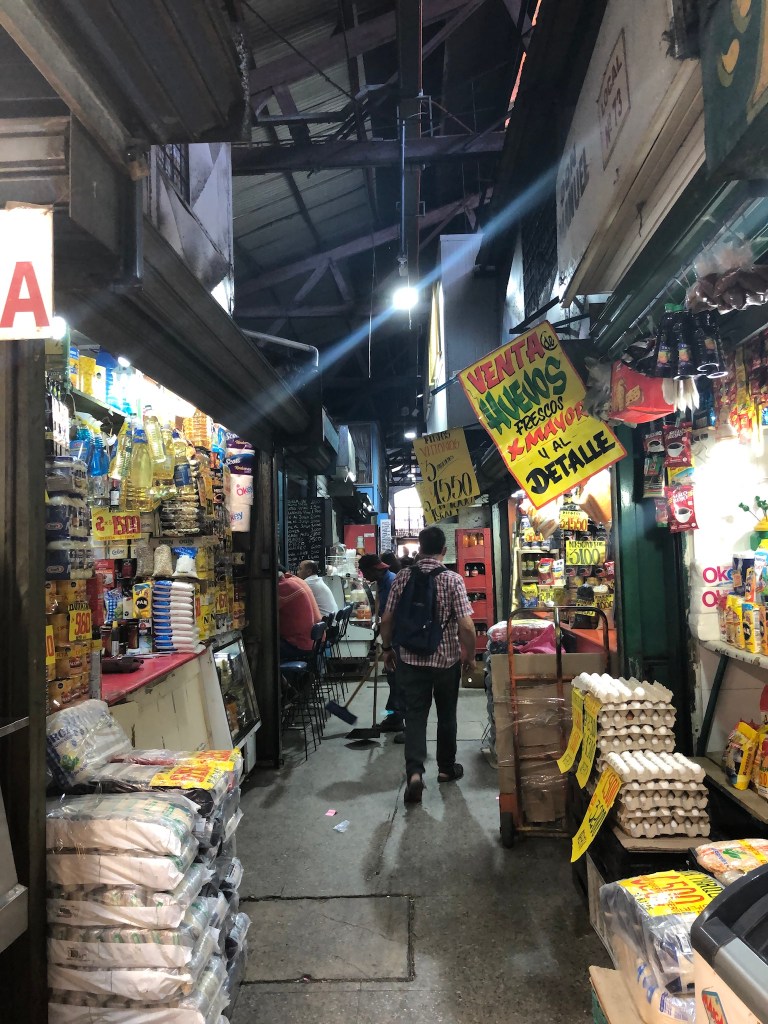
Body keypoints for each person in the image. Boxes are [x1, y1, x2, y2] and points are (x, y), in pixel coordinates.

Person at [380, 526, 476, 804]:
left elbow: (387, 619)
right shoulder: (453, 579)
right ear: (444, 550)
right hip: (445, 661)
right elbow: (466, 625)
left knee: (415, 716)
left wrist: (387, 649)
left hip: (410, 660)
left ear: (420, 549)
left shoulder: (402, 577)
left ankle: (415, 773)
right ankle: (446, 769)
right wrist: (469, 655)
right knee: (446, 715)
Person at [358, 553, 404, 734]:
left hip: (399, 638)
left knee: (397, 680)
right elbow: (383, 609)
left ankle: (397, 719)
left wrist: (387, 644)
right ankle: (393, 716)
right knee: (393, 680)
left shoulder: (392, 582)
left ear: (373, 570)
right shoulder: (382, 582)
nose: (364, 576)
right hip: (392, 636)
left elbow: (394, 615)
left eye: (364, 572)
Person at [278, 567, 322, 661]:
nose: (298, 572)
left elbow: (267, 611)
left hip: (301, 645)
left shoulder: (283, 586)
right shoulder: (296, 581)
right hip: (313, 640)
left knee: (265, 646)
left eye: (300, 569)